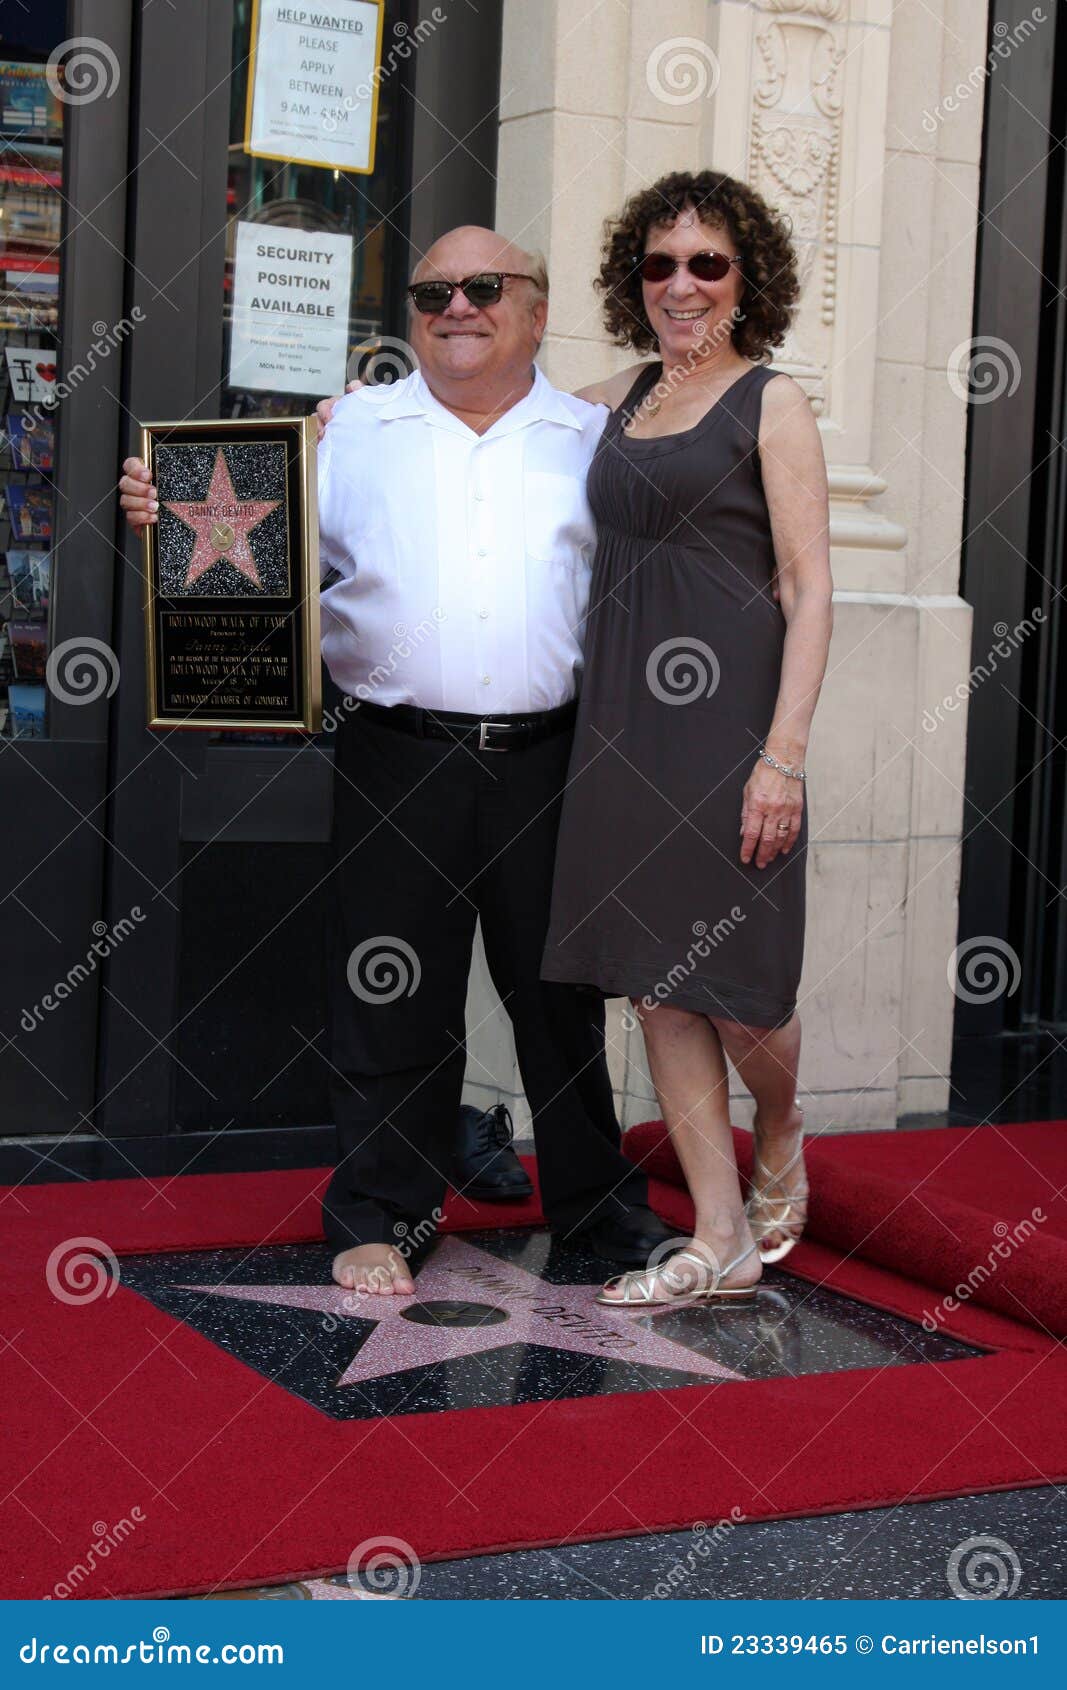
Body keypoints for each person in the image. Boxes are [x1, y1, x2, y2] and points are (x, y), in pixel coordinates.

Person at [118, 225, 672, 1296]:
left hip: (548, 758)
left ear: (534, 308)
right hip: (394, 753)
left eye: (481, 288)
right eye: (430, 293)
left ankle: (600, 1215)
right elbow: (248, 556)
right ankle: (385, 1212)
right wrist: (171, 510)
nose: (454, 307)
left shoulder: (592, 436)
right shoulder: (350, 430)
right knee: (388, 994)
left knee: (559, 1000)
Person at [539, 170, 833, 1306]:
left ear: (743, 277)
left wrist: (783, 752)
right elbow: (489, 427)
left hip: (729, 729)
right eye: (660, 263)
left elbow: (810, 588)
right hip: (619, 728)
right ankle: (718, 1237)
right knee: (657, 983)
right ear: (634, 279)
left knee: (738, 980)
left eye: (705, 262)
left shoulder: (771, 402)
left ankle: (784, 1118)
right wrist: (345, 423)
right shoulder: (611, 397)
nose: (680, 283)